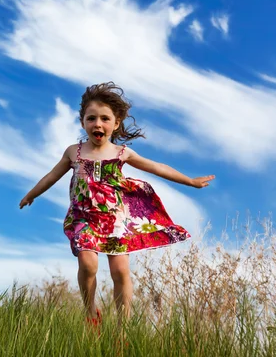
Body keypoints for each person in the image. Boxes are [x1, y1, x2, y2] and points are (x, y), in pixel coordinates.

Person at [19, 82, 214, 329]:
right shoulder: (73, 152)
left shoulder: (122, 153)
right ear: (82, 123)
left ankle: (124, 327)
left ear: (116, 123)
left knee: (120, 272)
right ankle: (90, 312)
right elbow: (51, 175)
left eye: (104, 119)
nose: (97, 124)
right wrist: (32, 194)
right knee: (88, 264)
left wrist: (190, 181)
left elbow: (157, 167)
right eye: (91, 118)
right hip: (83, 217)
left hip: (115, 221)